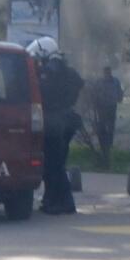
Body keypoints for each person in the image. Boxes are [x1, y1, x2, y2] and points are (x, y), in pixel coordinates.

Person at [27, 37, 83, 215]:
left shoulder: (51, 73)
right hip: (63, 121)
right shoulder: (65, 71)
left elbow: (43, 91)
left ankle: (65, 202)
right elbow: (78, 82)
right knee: (54, 164)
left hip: (54, 124)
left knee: (54, 165)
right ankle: (51, 199)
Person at [94, 66, 124, 167]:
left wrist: (119, 98)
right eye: (105, 72)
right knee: (102, 125)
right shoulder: (99, 82)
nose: (107, 73)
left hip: (111, 105)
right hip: (102, 106)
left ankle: (109, 142)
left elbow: (119, 91)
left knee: (111, 125)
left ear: (110, 72)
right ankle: (103, 143)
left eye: (108, 71)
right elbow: (95, 93)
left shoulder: (115, 81)